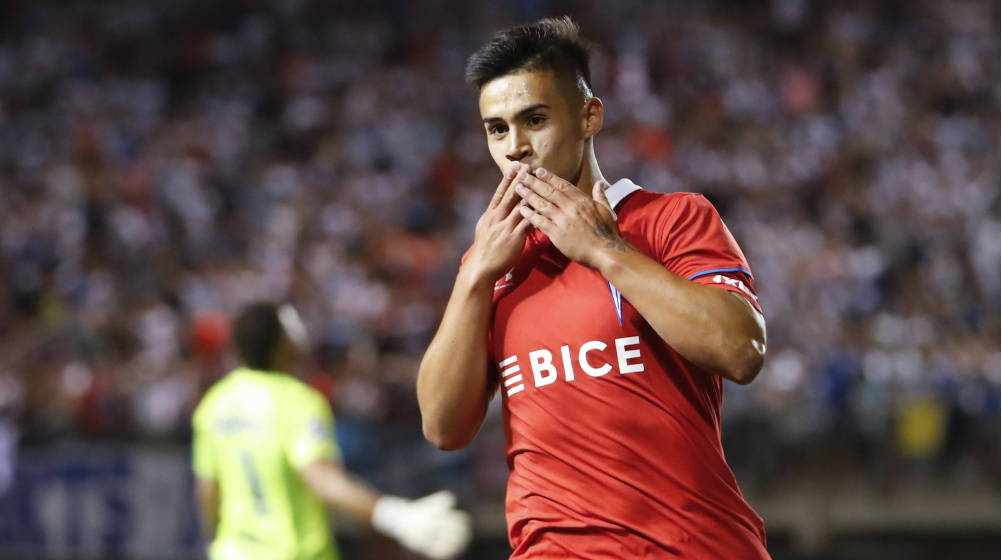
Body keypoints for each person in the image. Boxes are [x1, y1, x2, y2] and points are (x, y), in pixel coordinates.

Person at [417, 17, 770, 559]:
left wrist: (606, 251)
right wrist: (473, 277)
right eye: (497, 129)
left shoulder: (670, 219)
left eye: (534, 119)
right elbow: (443, 426)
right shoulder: (491, 262)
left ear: (589, 116)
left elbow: (740, 350)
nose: (515, 148)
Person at [192, 302, 472, 560]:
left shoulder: (214, 403)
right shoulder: (298, 401)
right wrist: (396, 516)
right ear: (282, 344)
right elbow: (323, 479)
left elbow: (208, 491)